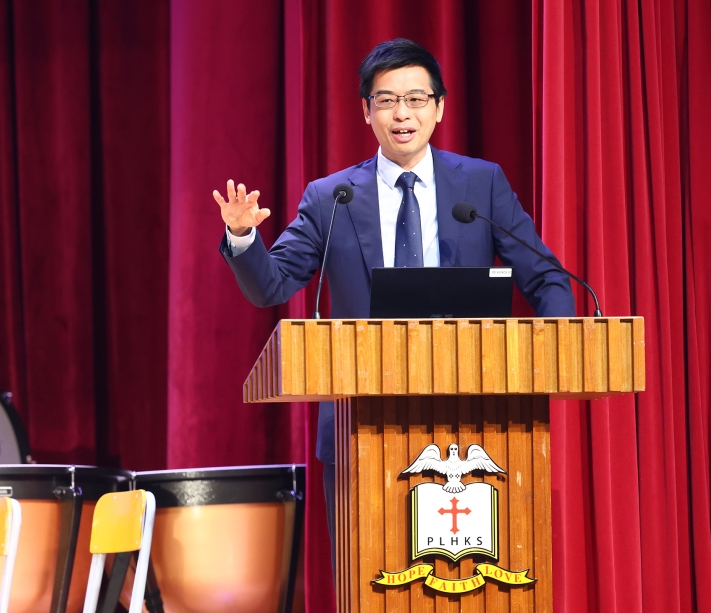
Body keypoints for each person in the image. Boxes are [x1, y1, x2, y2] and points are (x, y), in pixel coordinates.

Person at [215, 38, 575, 574]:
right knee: (367, 581)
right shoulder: (331, 197)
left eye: (415, 99)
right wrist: (243, 238)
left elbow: (544, 276)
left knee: (475, 581)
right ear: (367, 111)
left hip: (473, 420)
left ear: (439, 107)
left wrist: (560, 344)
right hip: (360, 426)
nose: (402, 114)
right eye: (386, 101)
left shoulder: (481, 184)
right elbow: (273, 285)